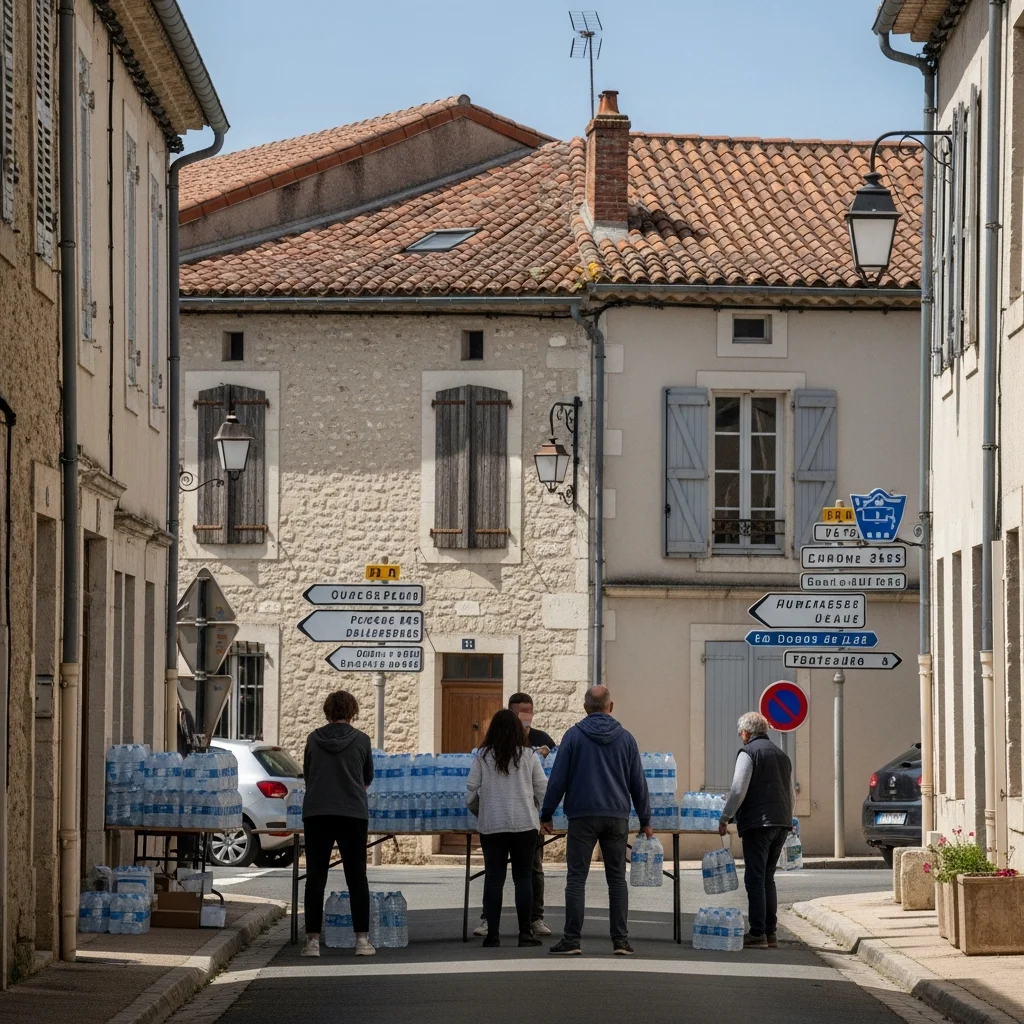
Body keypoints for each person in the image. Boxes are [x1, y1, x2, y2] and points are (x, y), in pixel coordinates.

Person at [540, 685, 651, 956]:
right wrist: (646, 819)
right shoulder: (626, 739)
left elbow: (558, 779)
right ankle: (620, 941)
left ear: (585, 707)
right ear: (610, 707)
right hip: (616, 816)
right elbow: (639, 782)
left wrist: (546, 813)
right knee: (616, 880)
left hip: (582, 815)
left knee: (577, 878)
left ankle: (572, 940)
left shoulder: (573, 736)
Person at [474, 692, 556, 938]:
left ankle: (501, 931)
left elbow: (471, 790)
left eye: (530, 711)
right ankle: (521, 932)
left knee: (503, 876)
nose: (527, 717)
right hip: (524, 824)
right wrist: (535, 810)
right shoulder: (522, 754)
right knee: (520, 878)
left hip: (496, 823)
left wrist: (481, 811)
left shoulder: (485, 754)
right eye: (522, 712)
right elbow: (543, 787)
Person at [300, 690, 375, 957]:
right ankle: (362, 941)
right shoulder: (362, 740)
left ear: (327, 711)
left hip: (317, 812)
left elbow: (308, 774)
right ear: (352, 711)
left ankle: (312, 943)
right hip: (352, 813)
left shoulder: (312, 739)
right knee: (357, 878)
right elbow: (367, 777)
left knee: (315, 878)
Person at [717, 711, 794, 950]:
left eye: (741, 733)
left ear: (746, 733)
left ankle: (758, 933)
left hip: (758, 823)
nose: (740, 736)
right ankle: (771, 933)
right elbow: (790, 794)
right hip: (781, 822)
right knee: (768, 878)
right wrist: (788, 818)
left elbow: (738, 789)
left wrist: (725, 817)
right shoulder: (782, 756)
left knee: (754, 879)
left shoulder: (748, 753)